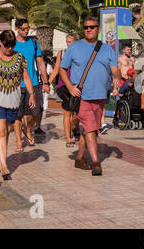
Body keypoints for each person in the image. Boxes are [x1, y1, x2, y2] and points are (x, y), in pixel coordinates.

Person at [59, 17, 121, 176]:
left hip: (100, 96)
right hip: (82, 97)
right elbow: (62, 69)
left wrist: (116, 77)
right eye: (86, 27)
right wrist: (69, 87)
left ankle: (79, 158)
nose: (88, 29)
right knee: (91, 130)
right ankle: (96, 162)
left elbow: (115, 69)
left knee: (90, 130)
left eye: (92, 27)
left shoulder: (107, 49)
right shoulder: (75, 47)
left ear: (98, 29)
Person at [0, 30, 35, 180]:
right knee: (0, 132)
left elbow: (26, 78)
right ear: (1, 43)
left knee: (6, 132)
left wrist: (32, 94)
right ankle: (4, 166)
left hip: (13, 102)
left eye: (12, 45)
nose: (10, 48)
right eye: (7, 45)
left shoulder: (19, 58)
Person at [13, 19, 50, 151]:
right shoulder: (12, 43)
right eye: (23, 28)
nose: (26, 30)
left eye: (27, 28)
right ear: (17, 28)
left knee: (36, 111)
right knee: (17, 114)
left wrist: (46, 82)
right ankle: (18, 141)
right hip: (15, 85)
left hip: (33, 83)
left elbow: (41, 63)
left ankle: (28, 129)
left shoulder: (33, 43)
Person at [48, 34, 80, 147]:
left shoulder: (80, 53)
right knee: (67, 112)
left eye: (70, 41)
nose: (67, 43)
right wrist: (48, 83)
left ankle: (72, 127)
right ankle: (68, 137)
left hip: (77, 85)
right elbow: (56, 69)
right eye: (67, 41)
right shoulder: (62, 53)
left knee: (78, 113)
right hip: (63, 86)